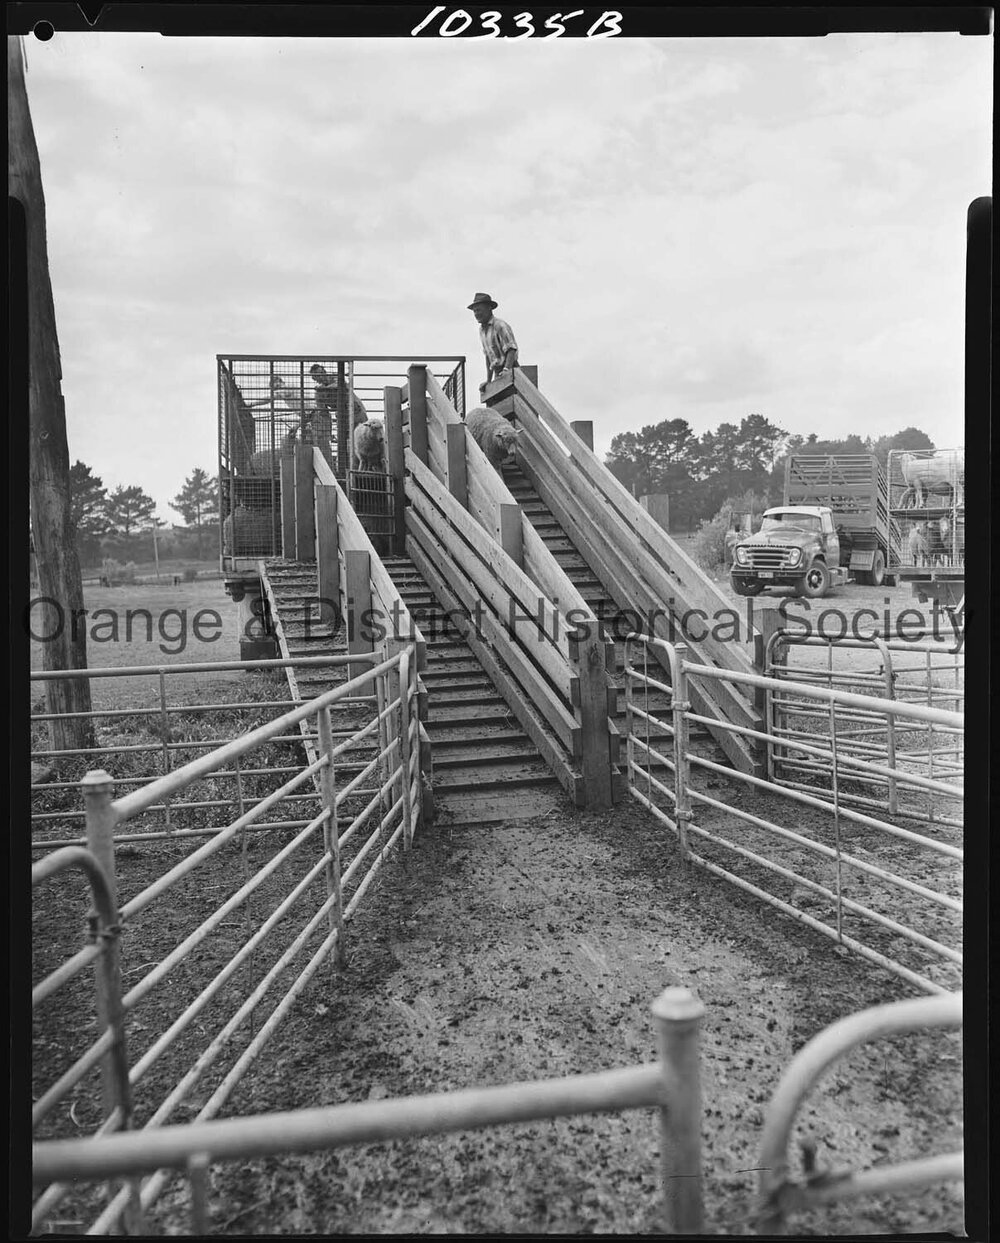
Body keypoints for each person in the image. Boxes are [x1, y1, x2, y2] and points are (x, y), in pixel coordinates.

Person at [468, 292, 518, 392]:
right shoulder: (482, 331)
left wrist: (506, 370)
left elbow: (511, 349)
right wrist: (488, 380)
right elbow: (488, 356)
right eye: (474, 311)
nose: (477, 314)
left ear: (489, 308)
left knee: (511, 400)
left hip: (511, 370)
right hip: (497, 372)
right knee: (496, 402)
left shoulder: (500, 325)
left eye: (479, 310)